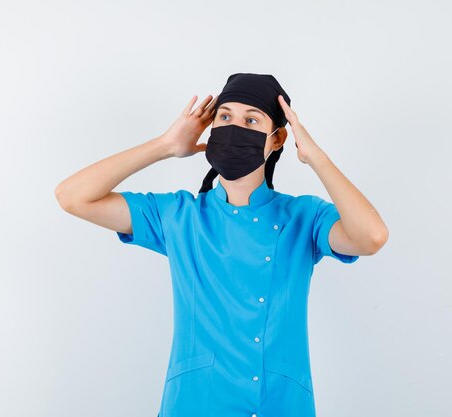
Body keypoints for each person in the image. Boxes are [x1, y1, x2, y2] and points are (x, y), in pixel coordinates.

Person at [55, 73, 389, 417]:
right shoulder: (179, 215)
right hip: (195, 403)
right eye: (224, 117)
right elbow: (72, 197)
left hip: (280, 403)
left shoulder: (304, 217)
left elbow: (371, 236)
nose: (235, 127)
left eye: (251, 120)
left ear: (277, 139)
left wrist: (315, 156)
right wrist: (165, 146)